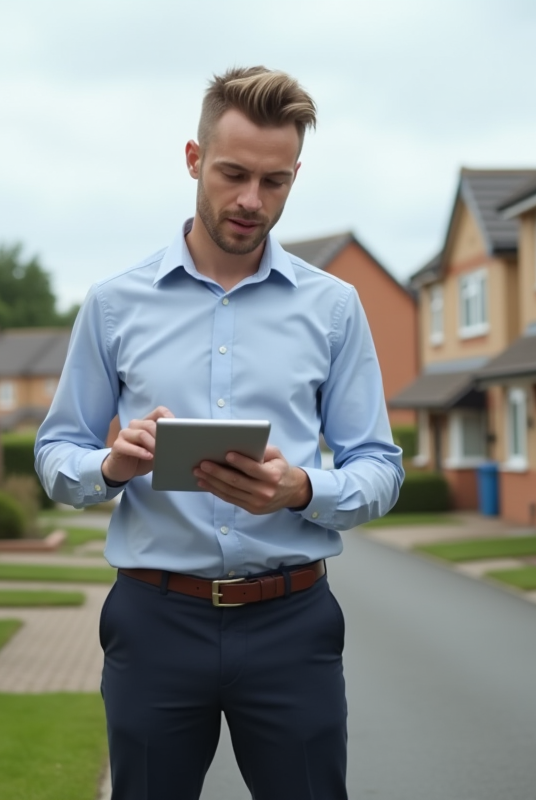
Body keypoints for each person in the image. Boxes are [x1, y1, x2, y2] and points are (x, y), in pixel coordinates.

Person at [36, 65, 403, 800]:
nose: (251, 200)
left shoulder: (334, 308)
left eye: (274, 181)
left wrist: (302, 489)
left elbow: (379, 466)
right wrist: (110, 465)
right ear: (193, 159)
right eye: (233, 174)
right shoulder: (113, 304)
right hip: (154, 622)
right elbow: (56, 453)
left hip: (293, 622)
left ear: (295, 177)